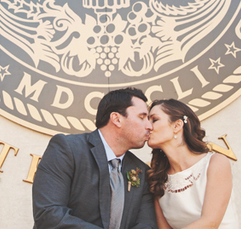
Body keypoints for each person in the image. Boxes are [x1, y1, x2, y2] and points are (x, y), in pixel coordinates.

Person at [32, 87, 158, 229]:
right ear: (116, 119)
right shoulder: (67, 149)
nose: (149, 126)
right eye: (142, 117)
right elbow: (48, 214)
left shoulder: (141, 171)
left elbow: (148, 225)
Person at [146, 99, 239, 229]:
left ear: (177, 125)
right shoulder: (157, 179)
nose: (147, 126)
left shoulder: (215, 163)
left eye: (154, 120)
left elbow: (210, 223)